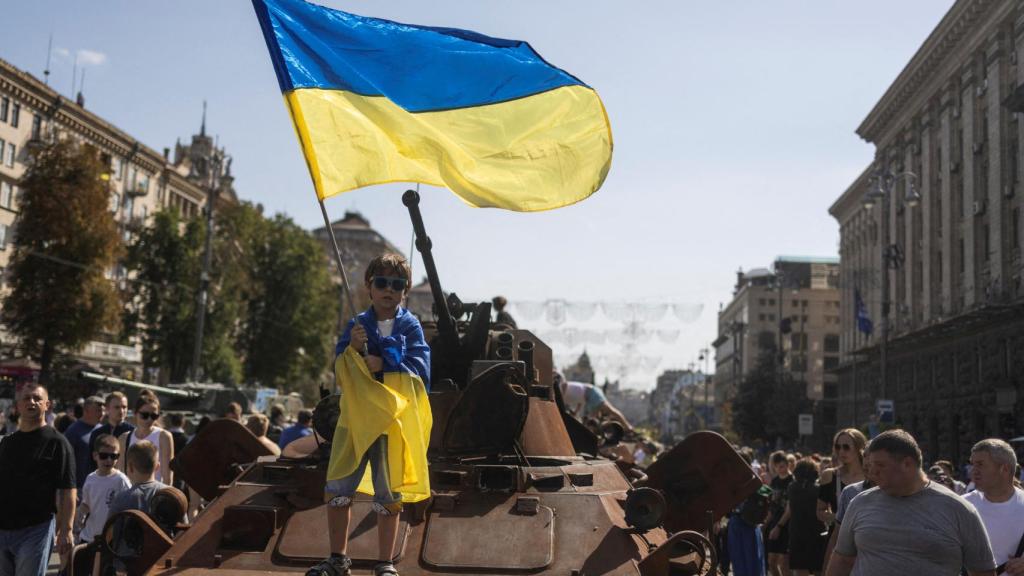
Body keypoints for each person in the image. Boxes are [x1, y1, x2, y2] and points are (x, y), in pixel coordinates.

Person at [310, 254, 431, 576]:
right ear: (369, 286)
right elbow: (340, 369)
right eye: (382, 282)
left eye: (397, 284)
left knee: (388, 494)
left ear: (404, 291)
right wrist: (351, 350)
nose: (388, 290)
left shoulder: (411, 325)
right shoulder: (356, 324)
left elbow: (421, 371)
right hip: (356, 421)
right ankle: (338, 558)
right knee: (338, 488)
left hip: (392, 424)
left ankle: (385, 562)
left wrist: (385, 363)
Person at [826, 429, 996, 576]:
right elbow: (841, 560)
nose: (872, 472)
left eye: (880, 465)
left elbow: (983, 571)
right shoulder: (860, 503)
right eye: (870, 465)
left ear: (907, 464)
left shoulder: (959, 509)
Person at [0, 384, 76, 576]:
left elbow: (68, 490)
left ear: (47, 405)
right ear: (18, 405)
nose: (31, 402)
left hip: (35, 530)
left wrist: (66, 530)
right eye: (26, 398)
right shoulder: (7, 443)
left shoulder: (58, 443)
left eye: (37, 398)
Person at [964, 439, 1024, 575]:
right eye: (972, 464)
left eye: (980, 464)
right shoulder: (962, 506)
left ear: (1005, 468)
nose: (973, 471)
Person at [818, 428, 866, 569]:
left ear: (859, 448)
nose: (841, 451)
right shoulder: (830, 476)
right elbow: (819, 511)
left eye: (846, 447)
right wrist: (840, 518)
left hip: (867, 541)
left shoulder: (872, 476)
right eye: (838, 447)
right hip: (838, 540)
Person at [76, 434, 130, 544]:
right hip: (90, 536)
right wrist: (81, 513)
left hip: (112, 538)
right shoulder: (91, 479)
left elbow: (128, 506)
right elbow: (87, 504)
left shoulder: (121, 480)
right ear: (95, 455)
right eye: (104, 456)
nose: (108, 460)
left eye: (113, 456)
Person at [117, 392, 174, 486]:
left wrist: (164, 498)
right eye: (144, 415)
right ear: (135, 413)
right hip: (130, 494)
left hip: (155, 494)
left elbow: (167, 477)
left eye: (154, 416)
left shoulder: (164, 437)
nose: (149, 420)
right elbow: (121, 472)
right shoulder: (124, 438)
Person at [781, 459, 826, 576]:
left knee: (800, 569)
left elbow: (789, 510)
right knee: (818, 569)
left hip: (797, 533)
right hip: (816, 532)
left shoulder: (791, 488)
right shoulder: (818, 489)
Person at [554, 372, 633, 432]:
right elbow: (579, 399)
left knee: (608, 411)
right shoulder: (565, 394)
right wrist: (576, 411)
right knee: (594, 421)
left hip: (592, 393)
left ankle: (628, 427)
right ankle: (614, 428)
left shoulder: (562, 388)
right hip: (588, 398)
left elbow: (568, 388)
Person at [109, 441, 169, 517]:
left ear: (130, 467)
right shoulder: (172, 495)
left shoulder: (121, 500)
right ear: (157, 466)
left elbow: (110, 528)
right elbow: (184, 526)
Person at [64, 395, 104, 490]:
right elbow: (66, 462)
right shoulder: (73, 431)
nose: (102, 414)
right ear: (86, 411)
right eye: (98, 410)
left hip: (99, 487)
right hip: (80, 488)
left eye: (103, 410)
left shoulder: (102, 429)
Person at [764, 451, 793, 576]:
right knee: (771, 562)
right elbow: (771, 506)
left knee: (784, 563)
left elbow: (789, 509)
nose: (779, 469)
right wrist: (765, 523)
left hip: (787, 525)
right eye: (777, 467)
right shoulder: (774, 481)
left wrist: (778, 527)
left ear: (787, 465)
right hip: (774, 522)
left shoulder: (792, 481)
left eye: (782, 466)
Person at [89, 392, 134, 462]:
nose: (121, 411)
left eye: (124, 407)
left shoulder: (132, 432)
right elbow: (91, 462)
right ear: (107, 409)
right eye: (117, 407)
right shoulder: (97, 434)